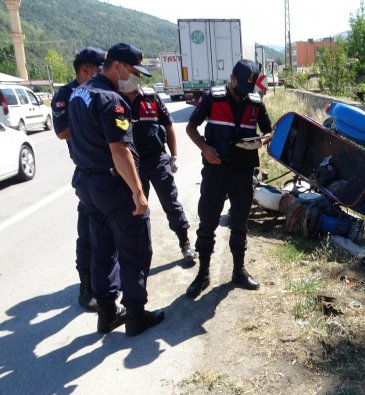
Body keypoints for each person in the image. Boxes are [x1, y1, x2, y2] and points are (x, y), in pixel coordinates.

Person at [68, 43, 164, 336]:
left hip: (87, 184)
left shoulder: (78, 93)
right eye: (135, 72)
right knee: (135, 248)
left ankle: (107, 313)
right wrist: (137, 191)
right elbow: (119, 150)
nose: (137, 79)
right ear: (118, 67)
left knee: (103, 250)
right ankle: (135, 315)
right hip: (113, 186)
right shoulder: (112, 100)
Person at [185, 59, 273, 298]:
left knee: (240, 223)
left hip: (243, 172)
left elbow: (269, 130)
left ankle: (238, 271)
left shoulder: (255, 103)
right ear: (232, 78)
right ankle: (203, 274)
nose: (243, 95)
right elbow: (191, 128)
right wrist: (205, 148)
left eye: (249, 90)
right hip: (216, 170)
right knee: (208, 223)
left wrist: (262, 141)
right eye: (240, 88)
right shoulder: (212, 98)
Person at [51, 46, 106, 311]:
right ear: (86, 70)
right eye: (99, 70)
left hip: (110, 169)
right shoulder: (66, 93)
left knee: (113, 231)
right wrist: (95, 127)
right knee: (87, 232)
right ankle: (87, 287)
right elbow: (62, 131)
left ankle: (109, 281)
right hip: (87, 171)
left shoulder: (101, 90)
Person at [122, 84, 198, 262]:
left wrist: (174, 156)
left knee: (171, 202)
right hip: (133, 164)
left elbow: (168, 125)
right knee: (136, 207)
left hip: (157, 159)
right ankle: (139, 251)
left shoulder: (150, 96)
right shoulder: (116, 98)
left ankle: (185, 244)